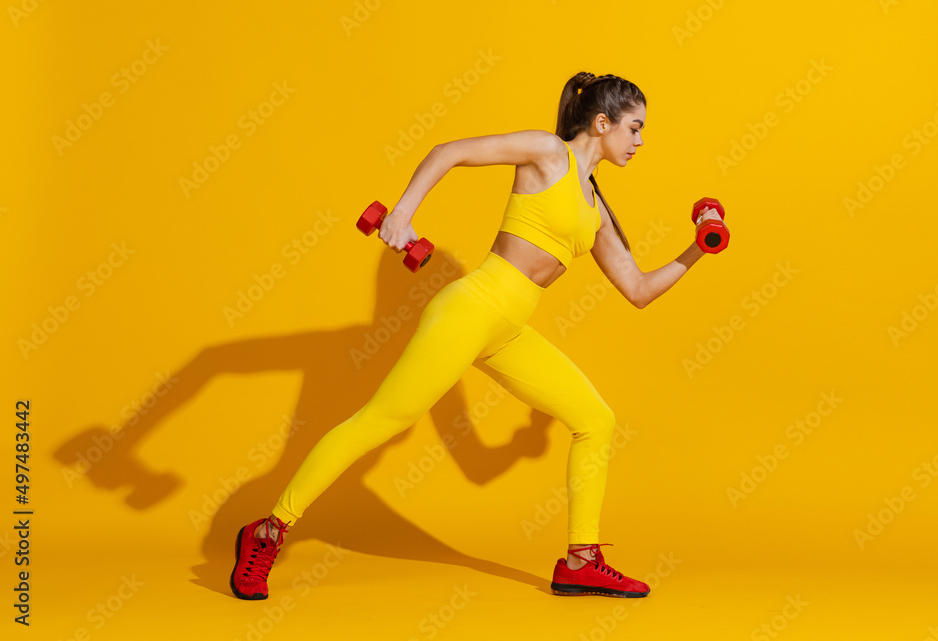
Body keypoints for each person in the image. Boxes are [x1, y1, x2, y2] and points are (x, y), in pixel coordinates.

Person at [230, 71, 721, 600]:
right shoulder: (546, 153)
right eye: (635, 128)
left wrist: (699, 248)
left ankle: (582, 560)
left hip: (508, 329)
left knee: (595, 420)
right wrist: (402, 212)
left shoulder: (594, 206)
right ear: (602, 124)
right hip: (472, 307)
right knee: (382, 420)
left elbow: (638, 288)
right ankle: (268, 530)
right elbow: (450, 151)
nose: (641, 141)